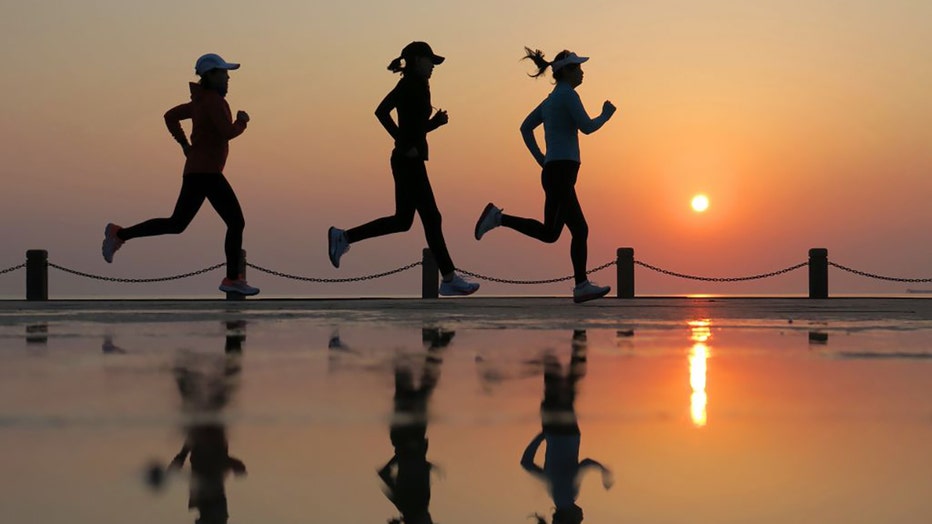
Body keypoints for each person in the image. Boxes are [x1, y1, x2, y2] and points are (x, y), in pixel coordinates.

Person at [327, 42, 478, 297]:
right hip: (407, 160)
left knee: (403, 221)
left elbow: (412, 126)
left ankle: (344, 237)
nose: (433, 67)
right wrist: (402, 142)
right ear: (417, 60)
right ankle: (449, 277)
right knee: (432, 217)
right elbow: (381, 112)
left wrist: (434, 124)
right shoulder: (409, 85)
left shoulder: (416, 85)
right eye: (430, 61)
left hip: (409, 159)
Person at [101, 53, 259, 296]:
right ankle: (232, 278)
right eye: (224, 73)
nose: (228, 78)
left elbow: (170, 116)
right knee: (236, 222)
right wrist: (242, 122)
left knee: (177, 224)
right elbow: (227, 132)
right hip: (206, 173)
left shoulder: (200, 101)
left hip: (197, 172)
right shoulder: (213, 101)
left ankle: (119, 233)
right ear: (211, 76)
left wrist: (184, 145)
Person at [474, 47, 617, 303]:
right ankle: (581, 285)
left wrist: (542, 159)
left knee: (551, 234)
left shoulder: (551, 100)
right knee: (579, 230)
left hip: (555, 172)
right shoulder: (567, 96)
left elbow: (525, 128)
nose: (582, 72)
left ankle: (499, 218)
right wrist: (605, 116)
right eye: (578, 68)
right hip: (560, 173)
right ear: (567, 72)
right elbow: (586, 127)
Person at [522, 331, 613, 524]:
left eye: (578, 522)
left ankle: (577, 331)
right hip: (554, 429)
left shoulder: (567, 494)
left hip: (565, 431)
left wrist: (603, 470)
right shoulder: (554, 492)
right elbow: (526, 463)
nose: (582, 518)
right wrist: (543, 435)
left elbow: (586, 463)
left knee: (570, 375)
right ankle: (567, 331)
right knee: (556, 371)